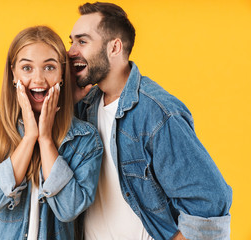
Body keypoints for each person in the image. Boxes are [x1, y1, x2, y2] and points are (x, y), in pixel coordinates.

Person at [69, 2, 232, 240]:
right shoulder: (84, 107)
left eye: (82, 42)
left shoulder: (157, 112)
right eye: (71, 41)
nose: (71, 51)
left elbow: (209, 201)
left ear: (114, 47)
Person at [0, 25, 103, 240]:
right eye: (27, 68)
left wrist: (46, 139)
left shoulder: (85, 138)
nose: (39, 80)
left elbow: (70, 209)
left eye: (49, 68)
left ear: (62, 74)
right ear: (13, 73)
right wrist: (30, 137)